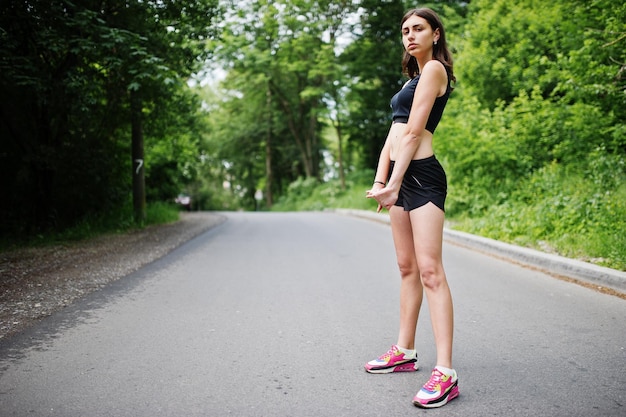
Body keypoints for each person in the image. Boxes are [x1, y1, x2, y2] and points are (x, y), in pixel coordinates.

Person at [364, 7, 458, 409]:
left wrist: (397, 182)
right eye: (405, 31)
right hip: (400, 178)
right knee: (406, 268)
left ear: (435, 34)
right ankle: (404, 351)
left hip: (422, 177)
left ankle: (447, 372)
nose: (410, 36)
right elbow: (395, 131)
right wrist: (380, 181)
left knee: (430, 270)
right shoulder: (413, 78)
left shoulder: (435, 70)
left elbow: (416, 131)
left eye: (418, 28)